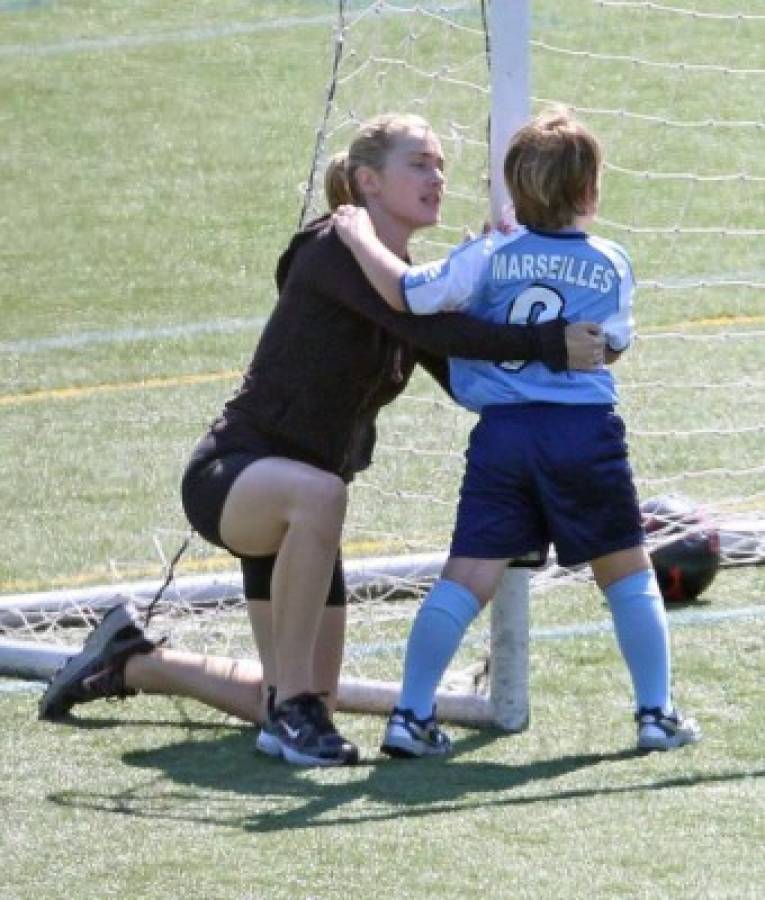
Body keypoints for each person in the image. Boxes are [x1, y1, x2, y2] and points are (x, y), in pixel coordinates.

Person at [37, 112, 604, 767]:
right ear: (367, 180)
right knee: (321, 508)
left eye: (440, 164)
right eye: (418, 162)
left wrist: (516, 297)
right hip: (235, 479)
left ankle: (131, 662)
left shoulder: (409, 286)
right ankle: (289, 713)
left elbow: (464, 376)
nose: (437, 176)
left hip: (302, 520)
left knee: (304, 696)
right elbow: (440, 335)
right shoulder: (333, 246)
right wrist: (545, 344)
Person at [332, 106, 702, 758]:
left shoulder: (486, 252)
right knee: (626, 573)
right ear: (588, 192)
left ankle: (410, 715)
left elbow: (417, 296)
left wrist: (358, 234)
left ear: (513, 190)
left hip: (501, 437)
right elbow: (609, 347)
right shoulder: (610, 261)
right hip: (581, 434)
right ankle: (655, 713)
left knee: (465, 576)